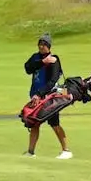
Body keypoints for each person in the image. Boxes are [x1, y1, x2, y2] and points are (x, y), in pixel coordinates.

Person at [21, 32, 68, 160]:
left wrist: (40, 94)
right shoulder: (36, 57)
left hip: (49, 97)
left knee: (54, 123)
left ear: (49, 46)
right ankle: (31, 152)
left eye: (44, 44)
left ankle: (66, 150)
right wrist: (42, 62)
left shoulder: (54, 60)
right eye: (40, 44)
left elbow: (52, 81)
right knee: (34, 123)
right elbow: (27, 68)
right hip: (35, 96)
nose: (41, 46)